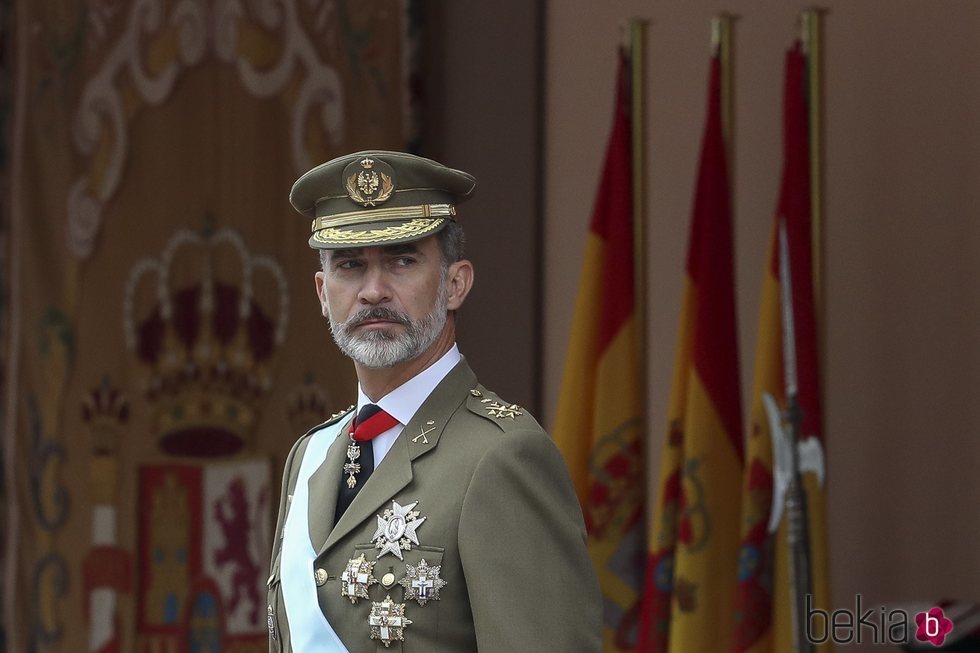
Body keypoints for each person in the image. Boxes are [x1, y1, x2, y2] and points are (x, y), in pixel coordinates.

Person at [267, 150, 601, 652]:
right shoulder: (310, 457)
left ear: (455, 283)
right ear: (322, 292)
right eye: (350, 265)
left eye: (402, 260)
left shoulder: (503, 457)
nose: (373, 291)